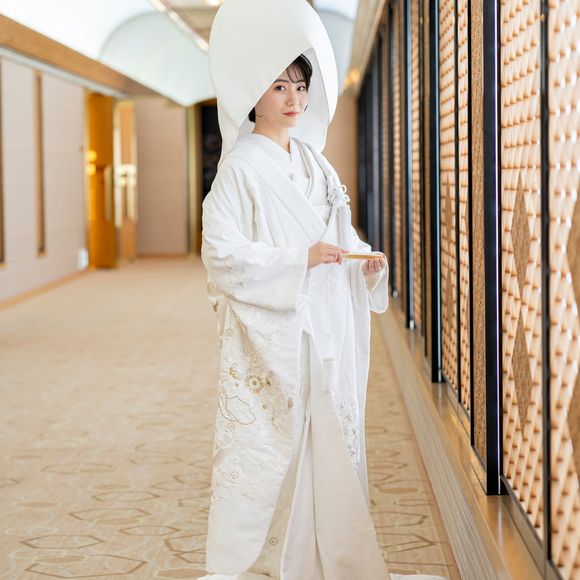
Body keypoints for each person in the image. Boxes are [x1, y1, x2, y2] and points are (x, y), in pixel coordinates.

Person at [200, 1, 446, 579]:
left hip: (325, 320)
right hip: (281, 331)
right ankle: (257, 563)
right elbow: (221, 253)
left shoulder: (316, 162)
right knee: (271, 450)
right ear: (255, 94)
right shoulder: (239, 170)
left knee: (329, 436)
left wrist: (364, 261)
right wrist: (297, 261)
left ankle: (320, 558)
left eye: (300, 86)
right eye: (279, 86)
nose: (294, 98)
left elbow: (340, 235)